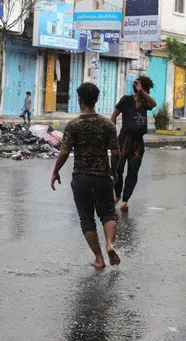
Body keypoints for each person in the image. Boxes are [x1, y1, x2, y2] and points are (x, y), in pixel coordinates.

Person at [51, 83, 121, 269]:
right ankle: (110, 244)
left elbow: (64, 152)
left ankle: (99, 258)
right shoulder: (107, 125)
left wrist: (55, 171)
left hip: (81, 178)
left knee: (86, 218)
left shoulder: (73, 125)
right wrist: (113, 172)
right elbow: (115, 153)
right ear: (96, 100)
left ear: (80, 99)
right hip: (102, 177)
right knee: (107, 213)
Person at [111, 76, 157, 212]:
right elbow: (114, 116)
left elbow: (154, 104)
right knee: (118, 170)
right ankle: (117, 195)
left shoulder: (145, 102)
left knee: (133, 172)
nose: (148, 92)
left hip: (138, 142)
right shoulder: (126, 100)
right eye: (146, 88)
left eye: (147, 90)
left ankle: (125, 200)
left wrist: (142, 92)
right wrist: (112, 136)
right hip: (124, 139)